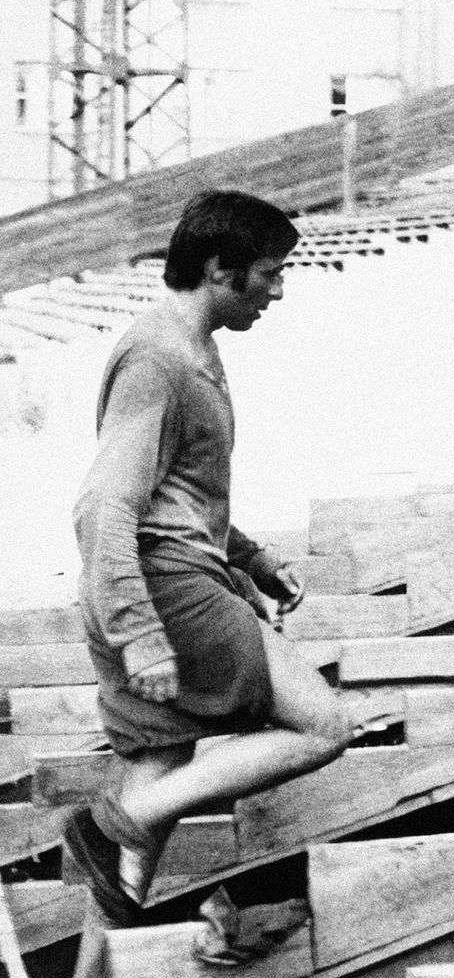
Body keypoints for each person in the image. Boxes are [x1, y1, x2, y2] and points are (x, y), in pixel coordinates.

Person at [67, 190, 353, 934]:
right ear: (222, 269)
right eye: (269, 272)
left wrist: (252, 558)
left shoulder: (195, 350)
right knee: (323, 725)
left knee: (130, 862)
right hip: (168, 592)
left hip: (178, 576)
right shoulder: (158, 361)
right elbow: (104, 506)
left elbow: (175, 493)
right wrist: (138, 632)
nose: (278, 289)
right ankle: (112, 821)